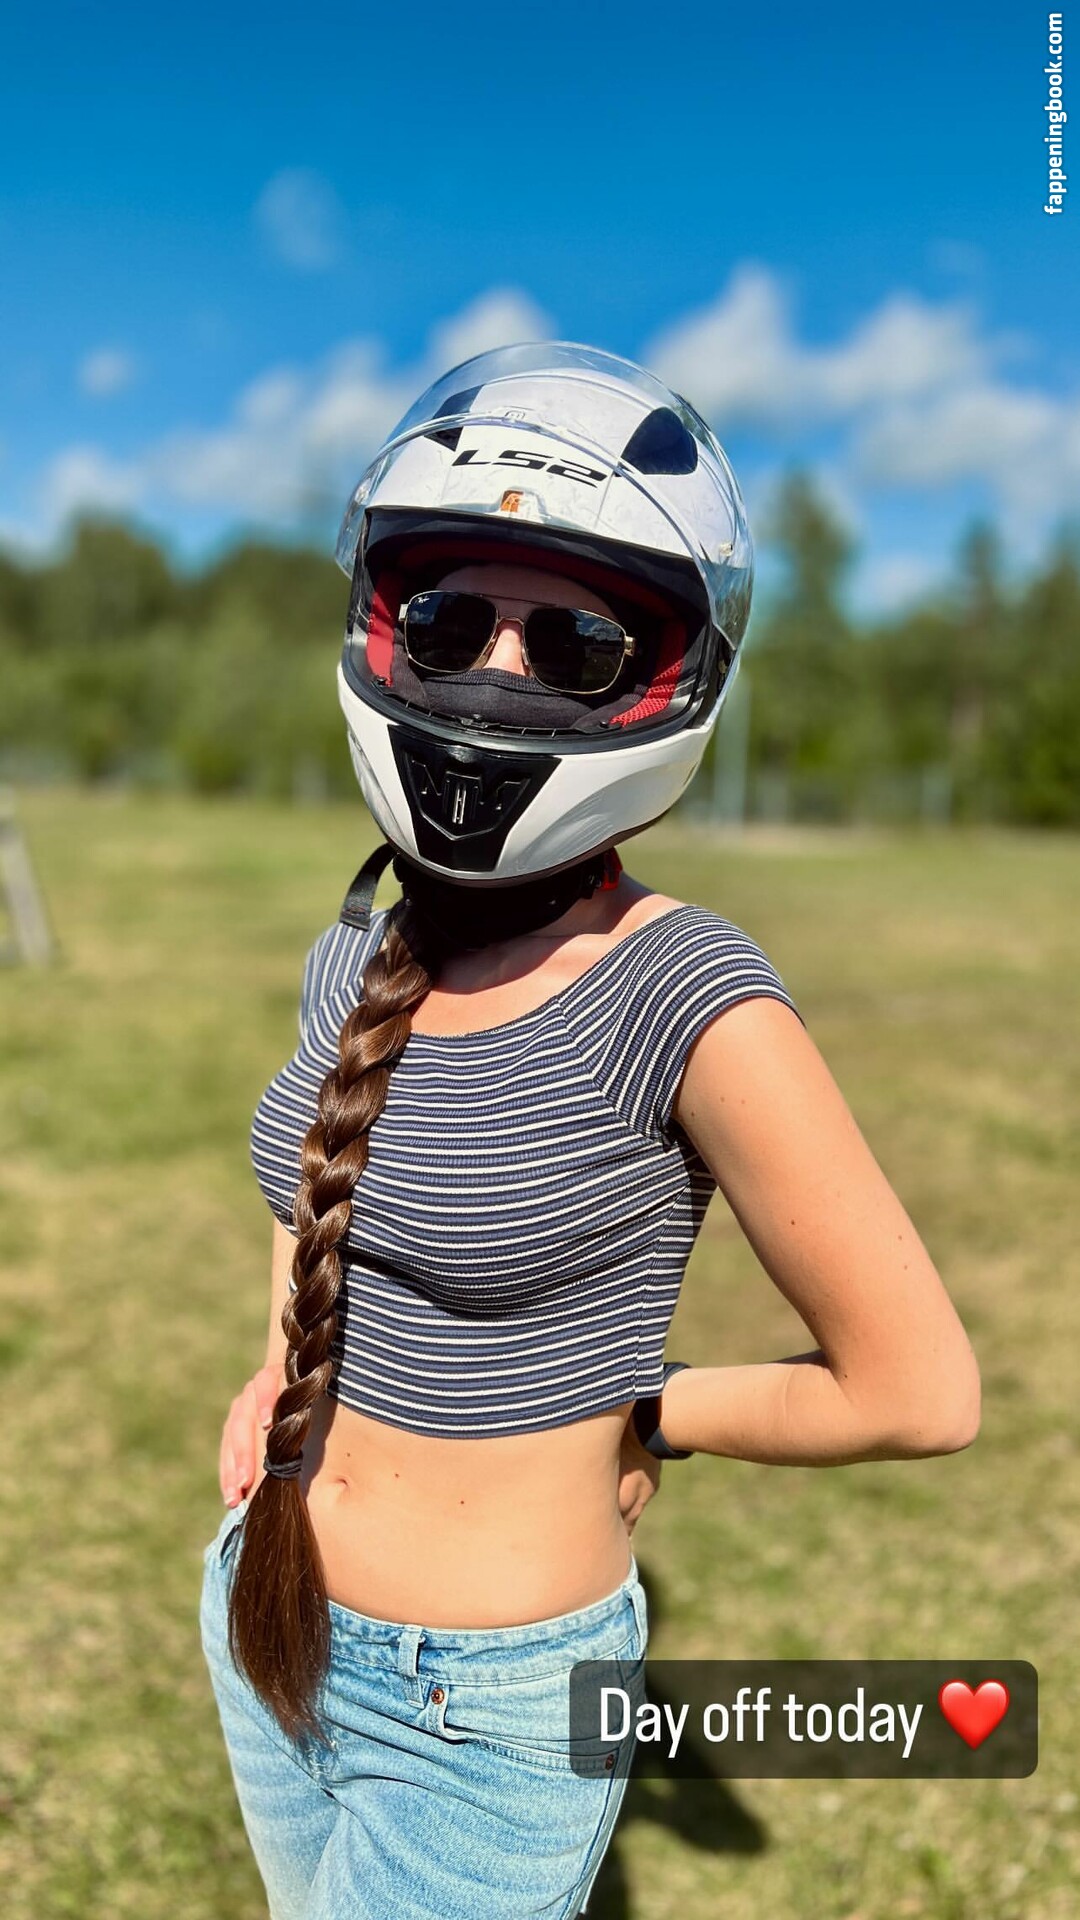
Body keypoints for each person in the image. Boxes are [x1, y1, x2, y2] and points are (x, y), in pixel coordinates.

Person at [198, 344, 980, 1920]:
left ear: (663, 677)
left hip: (486, 1710)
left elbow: (917, 1390)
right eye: (446, 620)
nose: (494, 671)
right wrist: (278, 1365)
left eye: (573, 640)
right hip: (266, 1611)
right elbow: (318, 1192)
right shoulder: (357, 946)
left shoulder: (682, 992)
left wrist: (651, 1412)